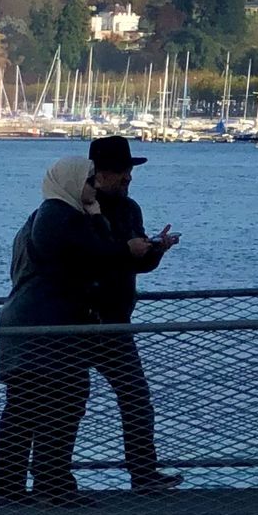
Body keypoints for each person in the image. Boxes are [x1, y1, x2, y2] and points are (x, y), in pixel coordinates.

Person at [0, 155, 155, 507]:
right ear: (72, 182)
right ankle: (53, 484)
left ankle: (9, 486)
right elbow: (94, 256)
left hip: (31, 324)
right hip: (48, 327)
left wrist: (99, 220)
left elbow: (91, 256)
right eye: (89, 181)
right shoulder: (59, 218)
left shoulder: (50, 215)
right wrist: (122, 245)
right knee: (62, 401)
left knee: (25, 405)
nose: (93, 187)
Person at [85, 134, 182, 493]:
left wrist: (155, 251)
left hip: (115, 319)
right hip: (80, 316)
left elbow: (137, 264)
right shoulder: (78, 207)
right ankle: (53, 477)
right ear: (101, 174)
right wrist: (126, 251)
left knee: (136, 395)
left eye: (128, 172)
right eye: (122, 172)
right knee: (65, 399)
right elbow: (84, 256)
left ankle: (143, 473)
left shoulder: (130, 209)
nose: (128, 179)